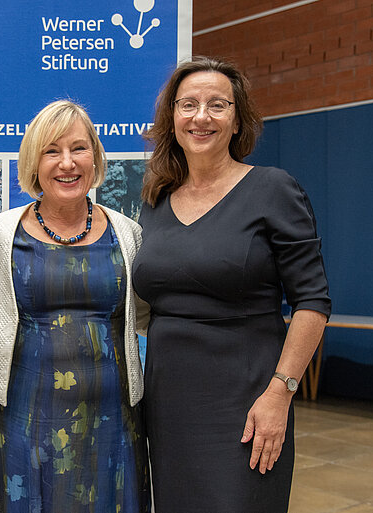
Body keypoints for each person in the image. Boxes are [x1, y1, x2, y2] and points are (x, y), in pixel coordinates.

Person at [133, 56, 331, 512]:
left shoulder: (273, 189)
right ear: (172, 118)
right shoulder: (156, 200)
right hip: (168, 405)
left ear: (237, 119)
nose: (201, 116)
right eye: (188, 105)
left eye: (217, 105)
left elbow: (312, 302)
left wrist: (280, 393)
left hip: (248, 403)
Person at [0, 100, 151, 512]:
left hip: (114, 420)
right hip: (24, 418)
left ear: (95, 157)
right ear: (33, 163)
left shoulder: (128, 232)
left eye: (79, 148)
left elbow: (145, 316)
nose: (67, 163)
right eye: (52, 151)